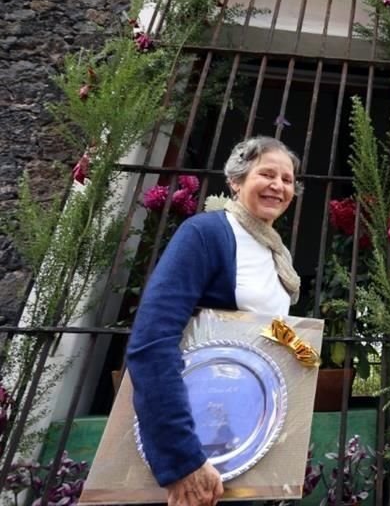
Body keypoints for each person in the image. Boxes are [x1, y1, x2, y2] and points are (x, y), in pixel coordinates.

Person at [126, 136, 302, 506]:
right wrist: (181, 460)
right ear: (236, 181)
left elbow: (260, 327)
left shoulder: (276, 255)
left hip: (248, 436)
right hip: (200, 444)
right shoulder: (208, 234)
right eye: (266, 174)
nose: (278, 186)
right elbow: (151, 342)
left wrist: (305, 353)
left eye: (287, 180)